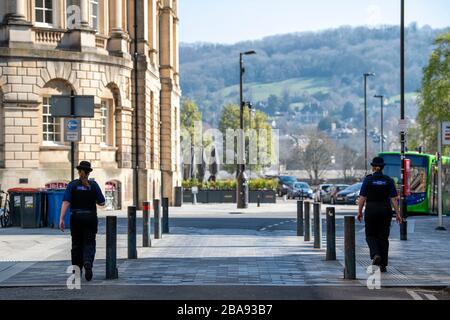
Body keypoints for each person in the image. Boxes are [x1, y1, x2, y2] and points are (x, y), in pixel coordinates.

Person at [60, 161, 106, 281]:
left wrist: (61, 218)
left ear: (79, 171)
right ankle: (88, 263)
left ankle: (76, 271)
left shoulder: (72, 185)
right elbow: (102, 202)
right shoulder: (93, 185)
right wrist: (94, 200)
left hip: (76, 218)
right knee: (89, 243)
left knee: (76, 245)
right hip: (90, 218)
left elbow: (66, 202)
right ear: (88, 172)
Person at [357, 157, 403, 273]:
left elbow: (362, 198)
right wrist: (398, 214)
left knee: (370, 235)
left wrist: (359, 212)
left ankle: (375, 254)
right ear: (383, 167)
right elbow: (394, 199)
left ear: (373, 167)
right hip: (385, 210)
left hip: (371, 210)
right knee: (383, 237)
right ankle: (383, 265)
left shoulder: (368, 180)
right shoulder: (388, 180)